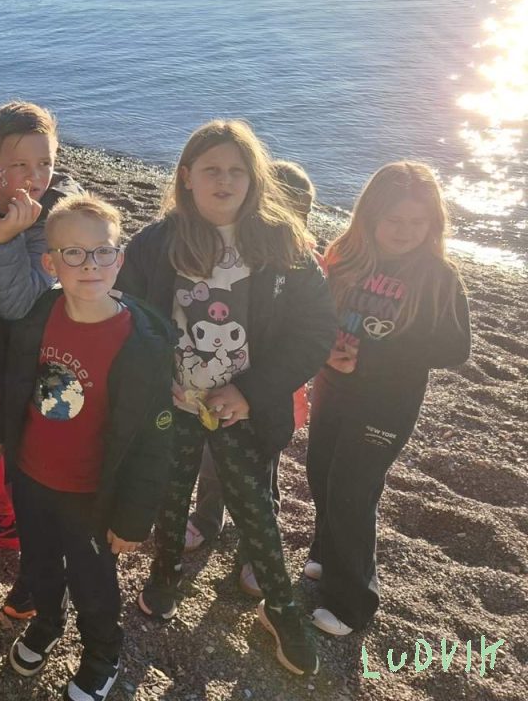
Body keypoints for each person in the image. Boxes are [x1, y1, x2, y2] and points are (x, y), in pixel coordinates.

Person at [115, 120, 335, 677]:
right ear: (187, 176)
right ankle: (165, 576)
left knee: (255, 507)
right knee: (171, 495)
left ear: (254, 178)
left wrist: (252, 392)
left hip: (241, 409)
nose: (224, 181)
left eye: (237, 170)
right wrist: (151, 381)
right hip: (174, 403)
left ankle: (281, 610)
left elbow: (315, 331)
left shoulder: (283, 244)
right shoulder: (156, 241)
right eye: (211, 169)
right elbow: (127, 316)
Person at [0, 194, 176, 701]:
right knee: (40, 564)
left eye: (102, 252)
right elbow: (14, 383)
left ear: (120, 260)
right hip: (32, 476)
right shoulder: (40, 314)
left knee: (93, 583)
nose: (89, 264)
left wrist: (134, 517)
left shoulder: (143, 343)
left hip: (92, 494)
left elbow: (154, 439)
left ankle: (102, 653)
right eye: (72, 254)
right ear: (50, 264)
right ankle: (47, 624)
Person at [305, 162, 470, 636]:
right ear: (369, 216)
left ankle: (352, 603)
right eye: (394, 220)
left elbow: (456, 349)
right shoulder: (345, 257)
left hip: (387, 403)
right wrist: (327, 350)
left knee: (352, 491)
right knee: (321, 472)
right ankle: (326, 553)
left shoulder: (438, 276)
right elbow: (322, 317)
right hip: (334, 388)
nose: (404, 231)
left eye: (417, 221)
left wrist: (379, 351)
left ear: (433, 223)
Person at [184, 160, 318, 601]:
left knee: (261, 476)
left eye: (295, 212)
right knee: (212, 459)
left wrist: (261, 389)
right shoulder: (234, 256)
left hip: (269, 397)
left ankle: (254, 552)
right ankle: (207, 519)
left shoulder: (304, 264)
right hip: (216, 388)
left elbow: (313, 333)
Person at [0, 101, 83, 616]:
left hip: (44, 369)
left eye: (46, 163)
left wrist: (5, 238)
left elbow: (22, 304)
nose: (36, 177)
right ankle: (1, 519)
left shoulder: (58, 220)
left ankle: (34, 570)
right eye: (20, 165)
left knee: (30, 466)